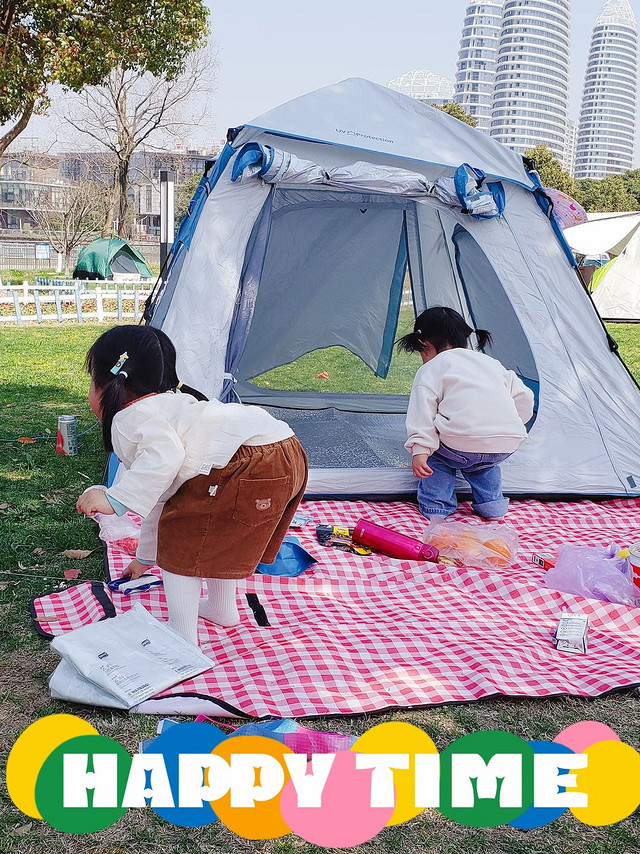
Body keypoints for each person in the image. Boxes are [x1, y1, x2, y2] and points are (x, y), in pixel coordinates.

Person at [76, 325, 308, 645]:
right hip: (287, 450)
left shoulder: (129, 419)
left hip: (245, 462)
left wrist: (115, 499)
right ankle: (220, 607)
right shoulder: (173, 403)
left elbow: (164, 458)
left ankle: (181, 636)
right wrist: (144, 559)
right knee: (214, 535)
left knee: (183, 543)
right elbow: (159, 505)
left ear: (108, 387)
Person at [397, 306, 534, 520]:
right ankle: (493, 507)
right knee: (485, 465)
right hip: (504, 444)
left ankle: (437, 508)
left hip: (459, 446)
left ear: (425, 346)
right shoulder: (492, 363)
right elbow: (525, 397)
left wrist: (421, 450)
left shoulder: (431, 369)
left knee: (436, 458)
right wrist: (509, 423)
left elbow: (422, 414)